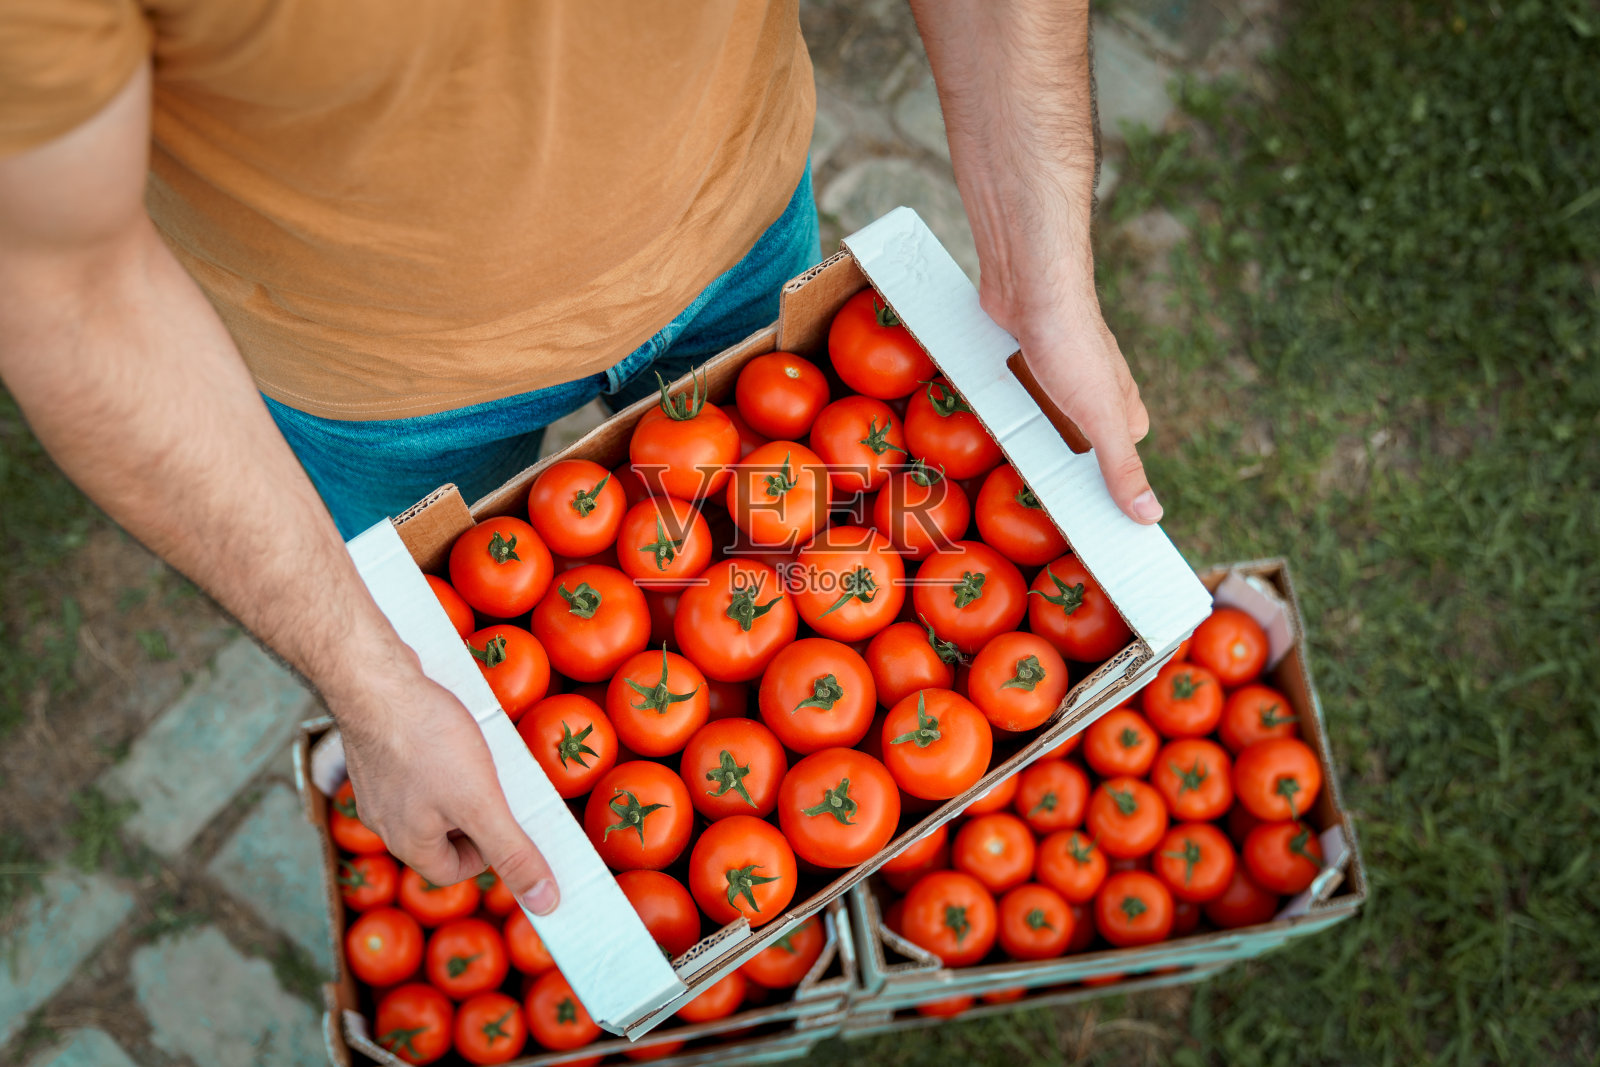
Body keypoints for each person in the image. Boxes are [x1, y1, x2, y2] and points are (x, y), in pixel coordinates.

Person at [0, 1, 1156, 920]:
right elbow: (64, 292)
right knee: (433, 669)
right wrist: (366, 685)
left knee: (545, 632)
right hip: (367, 378)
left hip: (739, 225)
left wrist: (1040, 270)